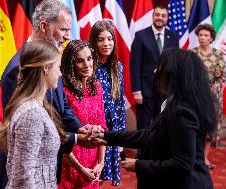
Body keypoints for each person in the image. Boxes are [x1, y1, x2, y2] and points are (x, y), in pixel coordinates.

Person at [0, 1, 104, 188]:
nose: (68, 36)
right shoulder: (18, 69)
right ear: (44, 26)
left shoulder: (51, 59)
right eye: (63, 29)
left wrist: (80, 129)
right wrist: (77, 139)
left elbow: (61, 106)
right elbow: (27, 135)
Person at [93, 49, 217, 189]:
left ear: (174, 75)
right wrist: (105, 136)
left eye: (160, 68)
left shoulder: (182, 112)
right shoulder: (174, 103)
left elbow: (182, 164)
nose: (155, 72)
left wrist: (138, 165)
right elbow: (150, 135)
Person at [0, 40, 63, 188]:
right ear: (46, 68)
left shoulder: (36, 107)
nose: (60, 73)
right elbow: (23, 177)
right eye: (59, 67)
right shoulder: (31, 114)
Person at [58, 40, 108, 189]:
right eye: (80, 61)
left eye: (89, 58)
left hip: (93, 166)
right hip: (70, 165)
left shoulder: (97, 87)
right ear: (71, 64)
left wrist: (101, 162)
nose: (87, 64)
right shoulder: (63, 91)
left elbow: (102, 127)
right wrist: (80, 169)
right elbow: (61, 137)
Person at [130, 5, 179, 143]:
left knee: (163, 125)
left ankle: (157, 155)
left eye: (163, 16)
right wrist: (136, 90)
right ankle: (141, 157)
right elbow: (135, 64)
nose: (160, 18)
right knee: (144, 127)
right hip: (145, 90)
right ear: (152, 16)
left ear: (167, 18)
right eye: (157, 15)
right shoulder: (141, 35)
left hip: (165, 90)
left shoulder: (173, 37)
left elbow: (175, 63)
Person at [89, 20, 126, 186]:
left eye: (110, 39)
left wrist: (122, 141)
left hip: (112, 131)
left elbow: (119, 106)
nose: (106, 43)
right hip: (92, 129)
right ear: (94, 42)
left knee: (103, 177)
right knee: (91, 174)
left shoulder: (117, 67)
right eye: (101, 39)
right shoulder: (88, 66)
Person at [193, 23, 226, 169]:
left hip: (213, 97)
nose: (203, 38)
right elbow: (188, 75)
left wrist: (215, 86)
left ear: (211, 38)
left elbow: (222, 77)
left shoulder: (218, 54)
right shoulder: (192, 54)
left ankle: (205, 158)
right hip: (196, 97)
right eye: (200, 35)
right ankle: (195, 157)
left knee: (210, 128)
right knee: (196, 126)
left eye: (206, 35)